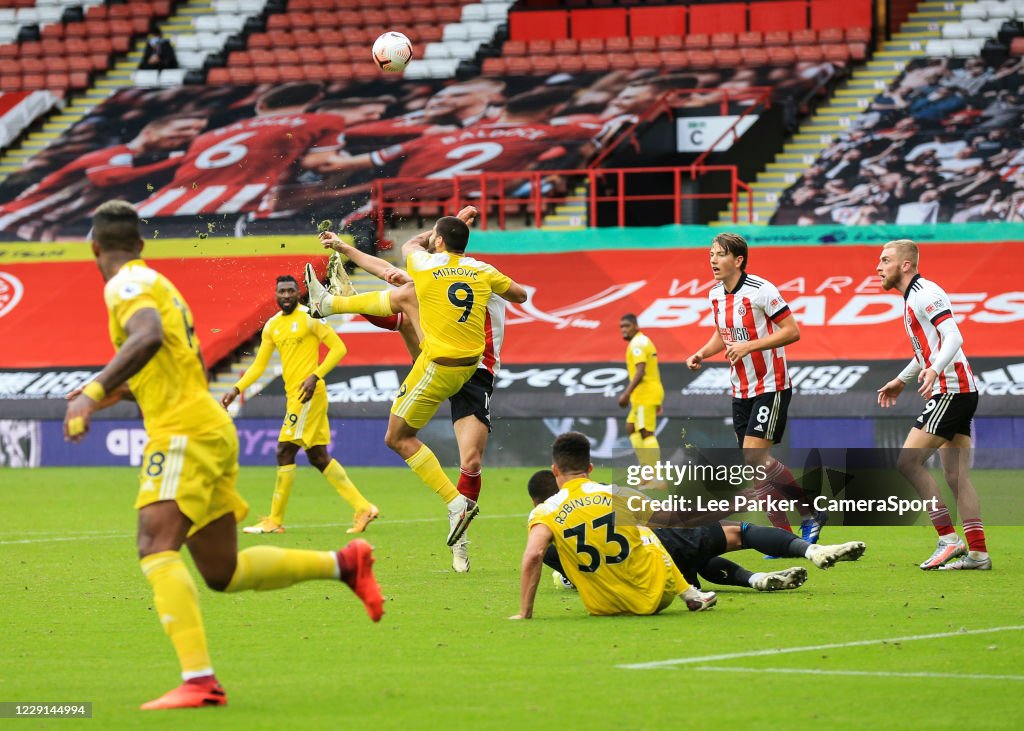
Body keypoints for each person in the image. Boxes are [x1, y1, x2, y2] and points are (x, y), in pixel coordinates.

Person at [62, 201, 383, 710]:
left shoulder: (124, 286)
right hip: (204, 424)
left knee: (155, 545)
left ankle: (199, 680)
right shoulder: (157, 284)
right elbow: (156, 366)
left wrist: (93, 388)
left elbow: (146, 337)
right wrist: (98, 393)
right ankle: (343, 565)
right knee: (222, 572)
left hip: (183, 432)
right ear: (141, 245)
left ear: (95, 248)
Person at [306, 213, 527, 551]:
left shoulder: (468, 273)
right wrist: (344, 248)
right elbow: (385, 270)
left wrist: (441, 229)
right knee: (405, 294)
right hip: (447, 359)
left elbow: (409, 249)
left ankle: (459, 532)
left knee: (471, 461)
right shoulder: (460, 272)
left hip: (476, 370)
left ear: (438, 241)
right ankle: (335, 303)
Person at [686, 233, 826, 544]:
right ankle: (782, 536)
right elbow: (723, 334)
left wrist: (751, 346)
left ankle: (809, 512)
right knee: (756, 465)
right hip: (740, 389)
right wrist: (701, 353)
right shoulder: (715, 295)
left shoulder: (762, 291)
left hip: (771, 384)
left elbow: (792, 331)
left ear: (738, 260)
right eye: (711, 254)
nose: (712, 260)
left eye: (720, 254)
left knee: (753, 456)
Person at [525, 470, 866, 593]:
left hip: (651, 580)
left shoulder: (545, 527)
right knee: (738, 532)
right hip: (660, 544)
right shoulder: (599, 492)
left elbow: (565, 571)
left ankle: (755, 580)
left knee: (702, 562)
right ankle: (811, 551)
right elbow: (672, 517)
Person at [221, 275, 378, 535]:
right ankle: (363, 508)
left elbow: (339, 348)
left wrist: (315, 376)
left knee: (284, 451)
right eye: (281, 291)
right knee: (318, 457)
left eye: (290, 291)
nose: (285, 295)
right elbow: (259, 365)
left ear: (298, 293)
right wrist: (237, 389)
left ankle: (274, 520)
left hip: (308, 396)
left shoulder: (310, 317)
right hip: (295, 397)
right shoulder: (272, 326)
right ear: (276, 294)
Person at [512, 432, 717, 619]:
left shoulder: (545, 511)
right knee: (643, 527)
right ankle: (689, 593)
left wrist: (525, 612)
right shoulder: (618, 493)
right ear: (590, 468)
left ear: (555, 470)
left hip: (602, 606)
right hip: (652, 597)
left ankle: (689, 593)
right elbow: (674, 518)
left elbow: (533, 555)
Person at [875, 239, 989, 570]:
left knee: (907, 463)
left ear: (906, 265)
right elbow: (929, 349)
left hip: (951, 391)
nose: (878, 267)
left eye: (885, 260)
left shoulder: (925, 293)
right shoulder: (913, 297)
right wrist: (902, 379)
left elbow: (954, 337)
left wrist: (935, 370)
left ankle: (948, 540)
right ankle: (979, 554)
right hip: (960, 390)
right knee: (956, 477)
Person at [135, 83, 362, 219]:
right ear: (316, 100)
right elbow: (323, 163)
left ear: (261, 106)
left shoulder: (210, 135)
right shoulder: (321, 120)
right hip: (244, 205)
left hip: (161, 205)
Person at [0, 115, 205, 240]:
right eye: (181, 130)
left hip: (40, 225)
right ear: (149, 133)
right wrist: (179, 160)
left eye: (193, 132)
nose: (187, 136)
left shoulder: (129, 159)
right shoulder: (113, 155)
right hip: (13, 218)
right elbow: (110, 178)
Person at [617, 314, 664, 481]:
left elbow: (641, 371)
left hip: (645, 393)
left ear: (636, 326)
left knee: (646, 432)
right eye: (621, 326)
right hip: (645, 394)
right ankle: (646, 470)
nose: (624, 329)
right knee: (631, 427)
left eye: (627, 326)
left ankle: (654, 475)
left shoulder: (637, 344)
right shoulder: (641, 341)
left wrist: (625, 394)